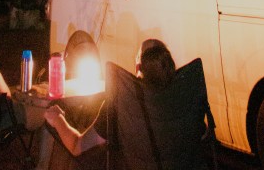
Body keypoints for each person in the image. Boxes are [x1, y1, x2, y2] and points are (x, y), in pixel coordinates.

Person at [43, 39, 176, 160]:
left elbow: (76, 146)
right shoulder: (183, 99)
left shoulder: (120, 101)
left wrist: (57, 119)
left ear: (137, 68)